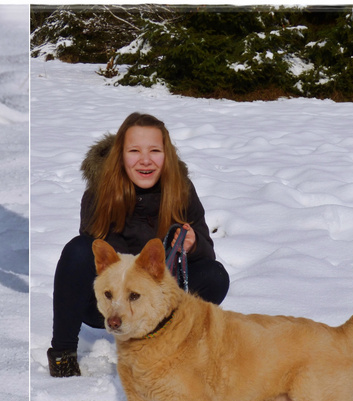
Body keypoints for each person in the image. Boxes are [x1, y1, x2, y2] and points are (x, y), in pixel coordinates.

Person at [47, 112, 230, 377]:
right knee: (77, 249)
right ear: (120, 155)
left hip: (155, 302)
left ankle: (173, 343)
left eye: (154, 150)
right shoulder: (100, 192)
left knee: (215, 276)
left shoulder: (181, 189)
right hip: (107, 304)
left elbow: (207, 254)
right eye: (134, 151)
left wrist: (192, 244)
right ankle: (63, 353)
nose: (145, 160)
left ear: (166, 155)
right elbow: (99, 257)